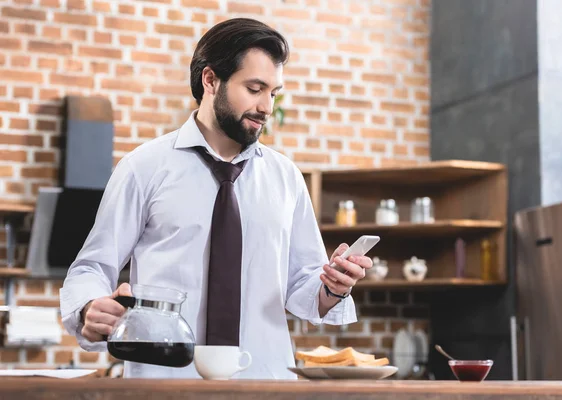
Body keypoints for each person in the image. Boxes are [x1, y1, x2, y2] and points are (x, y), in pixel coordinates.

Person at [59, 17, 373, 379]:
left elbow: (303, 290)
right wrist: (88, 308)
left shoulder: (286, 178)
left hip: (266, 382)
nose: (266, 107)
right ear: (210, 80)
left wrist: (332, 287)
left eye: (273, 93)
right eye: (254, 89)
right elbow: (92, 268)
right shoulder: (143, 168)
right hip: (166, 384)